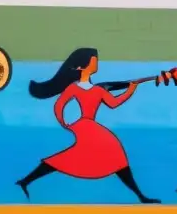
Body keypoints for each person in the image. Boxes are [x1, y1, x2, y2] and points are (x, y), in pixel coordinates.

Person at [16, 48, 158, 203]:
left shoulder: (98, 90)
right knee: (113, 151)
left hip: (91, 126)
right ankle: (141, 196)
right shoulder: (74, 88)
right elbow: (59, 105)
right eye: (93, 60)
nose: (96, 62)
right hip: (84, 126)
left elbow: (114, 103)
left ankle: (25, 181)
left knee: (101, 153)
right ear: (80, 67)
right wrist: (65, 124)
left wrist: (131, 90)